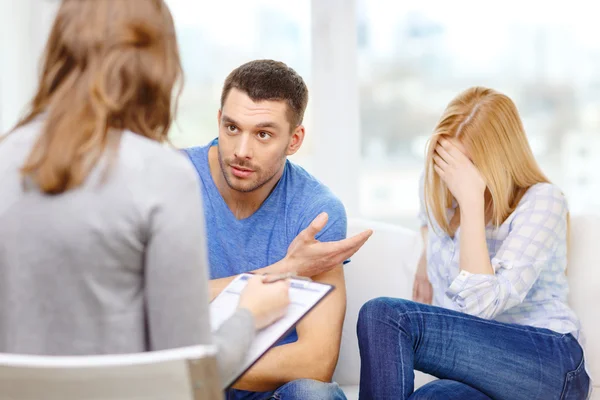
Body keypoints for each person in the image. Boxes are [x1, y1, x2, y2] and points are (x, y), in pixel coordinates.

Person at [0, 0, 291, 387]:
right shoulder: (164, 175)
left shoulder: (6, 157)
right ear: (158, 66)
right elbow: (191, 376)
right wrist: (251, 314)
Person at [357, 87, 591, 400]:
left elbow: (481, 307)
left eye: (466, 166)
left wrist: (471, 203)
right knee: (430, 397)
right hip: (479, 373)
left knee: (384, 315)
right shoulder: (441, 193)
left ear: (499, 160)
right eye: (447, 162)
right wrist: (427, 256)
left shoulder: (542, 201)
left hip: (548, 364)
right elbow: (429, 223)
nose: (454, 177)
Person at [183, 59, 372, 400]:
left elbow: (315, 361)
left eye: (263, 135)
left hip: (262, 393)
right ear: (218, 120)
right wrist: (285, 271)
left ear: (295, 140)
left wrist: (198, 368)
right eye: (231, 128)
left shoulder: (316, 211)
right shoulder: (172, 180)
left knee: (315, 395)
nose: (241, 151)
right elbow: (140, 306)